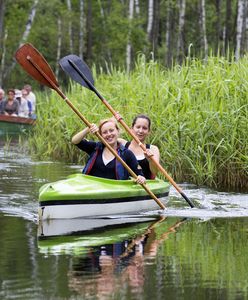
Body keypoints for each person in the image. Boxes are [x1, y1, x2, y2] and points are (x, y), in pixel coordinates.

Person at [71, 118, 146, 184]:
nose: (109, 134)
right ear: (100, 135)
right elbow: (75, 141)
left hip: (114, 192)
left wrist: (140, 178)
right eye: (105, 132)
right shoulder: (95, 147)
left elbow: (140, 175)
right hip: (91, 188)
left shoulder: (127, 154)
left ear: (118, 131)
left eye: (111, 130)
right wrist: (88, 129)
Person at [119, 114, 160, 179]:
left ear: (149, 131)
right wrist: (114, 119)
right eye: (138, 127)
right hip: (125, 185)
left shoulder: (153, 149)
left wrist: (150, 160)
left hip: (146, 185)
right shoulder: (122, 143)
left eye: (144, 128)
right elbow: (107, 136)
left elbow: (155, 172)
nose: (140, 131)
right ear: (132, 129)